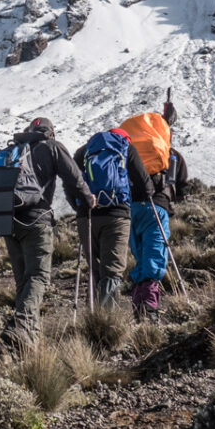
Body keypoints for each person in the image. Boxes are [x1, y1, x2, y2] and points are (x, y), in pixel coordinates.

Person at [0, 118, 96, 345]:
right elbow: (73, 177)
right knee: (39, 276)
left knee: (24, 280)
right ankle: (21, 325)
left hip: (8, 222)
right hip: (36, 220)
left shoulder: (15, 150)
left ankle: (28, 341)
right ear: (51, 132)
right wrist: (88, 198)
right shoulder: (52, 146)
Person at [73, 127, 151, 310]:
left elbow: (71, 183)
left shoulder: (83, 151)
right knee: (112, 270)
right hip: (117, 216)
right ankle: (108, 323)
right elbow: (145, 185)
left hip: (87, 216)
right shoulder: (125, 148)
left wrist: (80, 207)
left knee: (94, 269)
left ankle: (92, 319)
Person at [129, 100, 190, 321]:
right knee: (154, 253)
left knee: (140, 255)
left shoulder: (131, 150)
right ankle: (149, 307)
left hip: (129, 208)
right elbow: (182, 187)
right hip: (157, 205)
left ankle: (139, 305)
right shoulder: (169, 154)